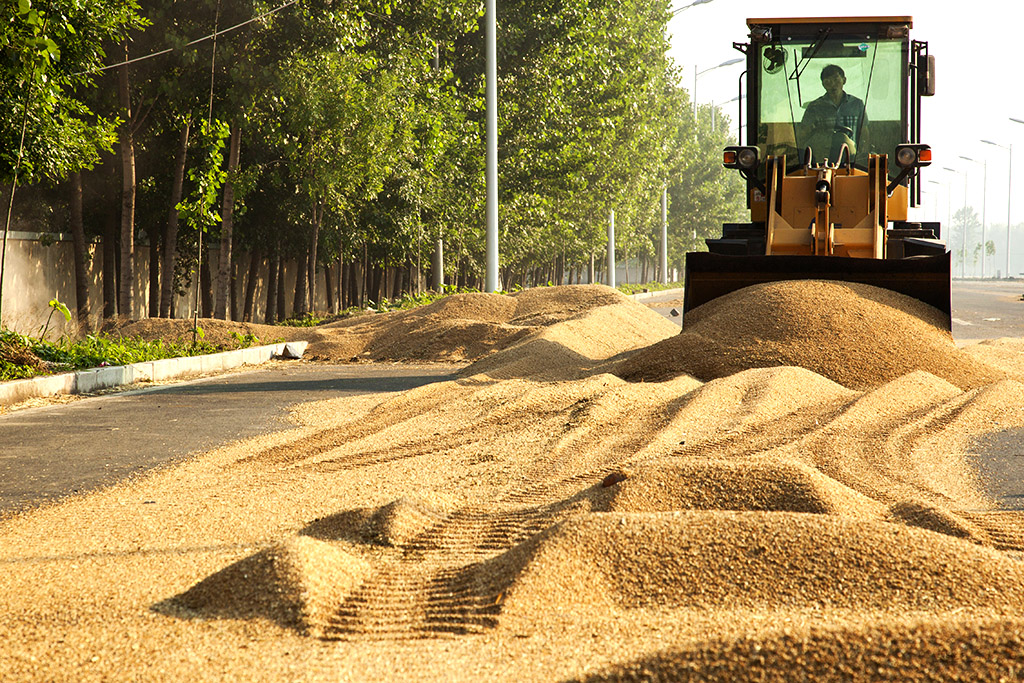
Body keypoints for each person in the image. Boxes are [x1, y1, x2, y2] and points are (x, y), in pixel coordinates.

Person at [799, 64, 867, 163]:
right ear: (823, 84)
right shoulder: (814, 107)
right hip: (822, 159)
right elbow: (803, 134)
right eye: (828, 82)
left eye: (836, 80)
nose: (833, 85)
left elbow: (864, 132)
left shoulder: (857, 104)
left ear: (844, 80)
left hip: (851, 159)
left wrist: (862, 152)